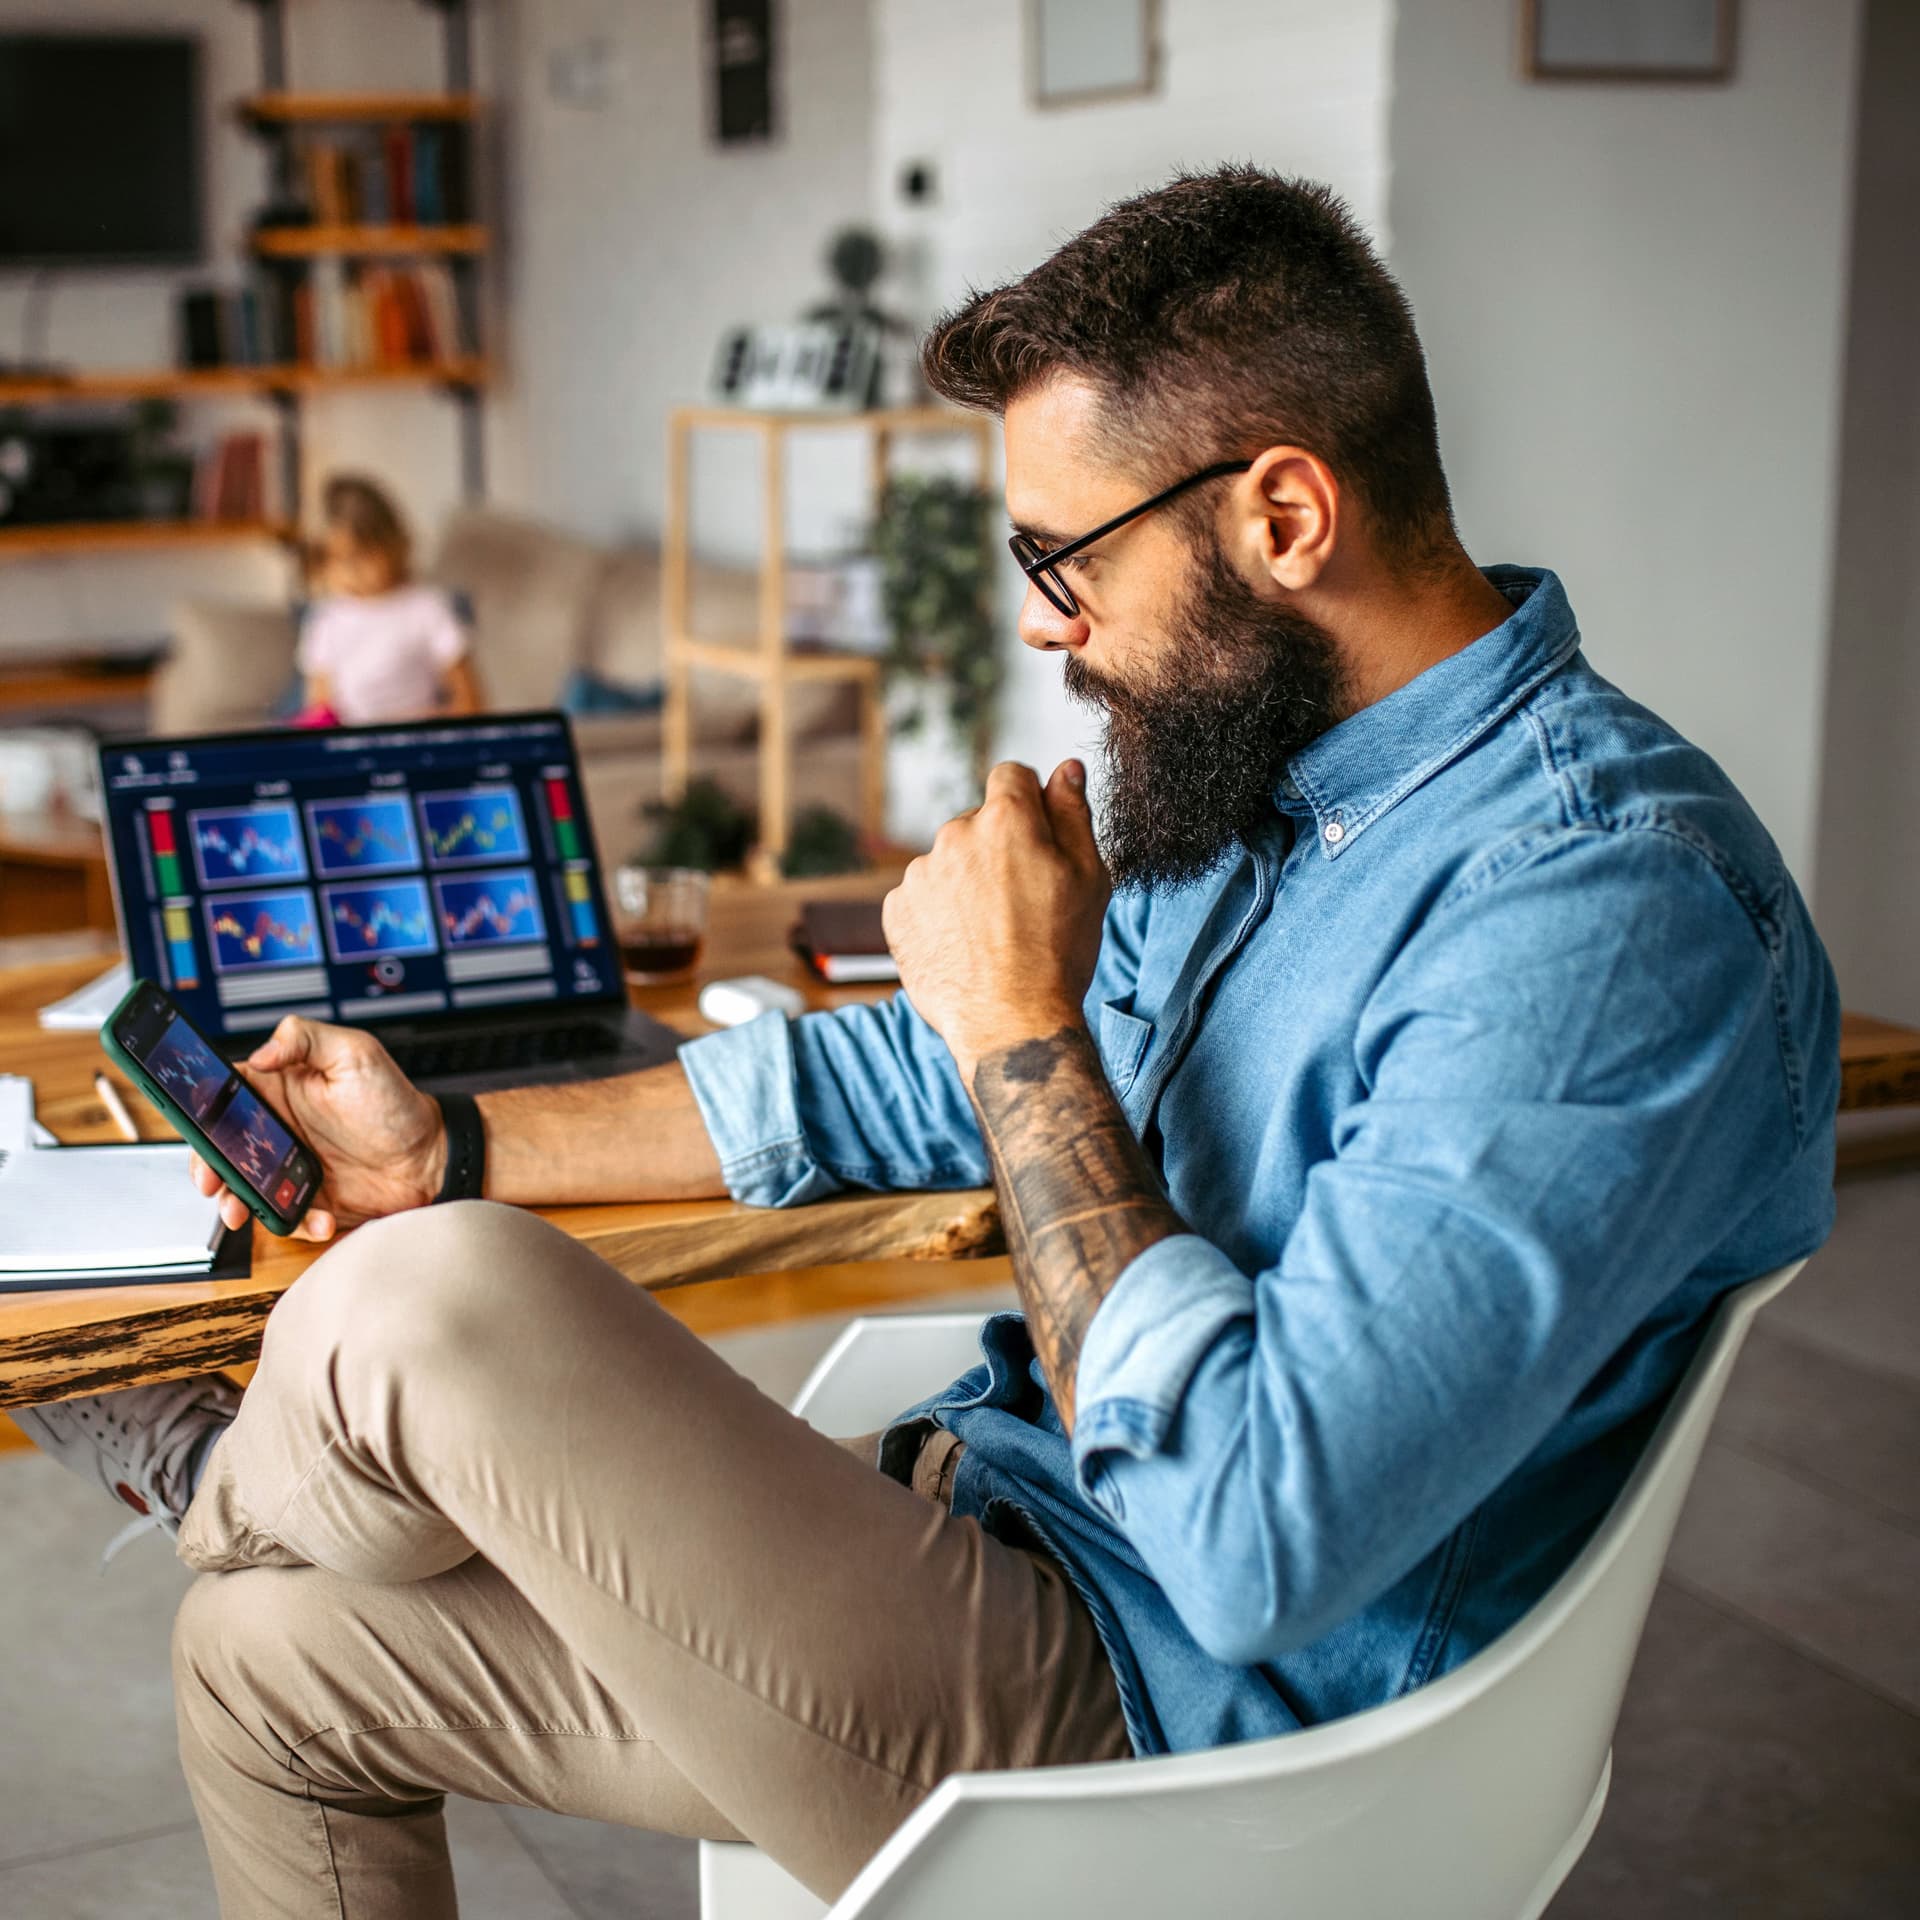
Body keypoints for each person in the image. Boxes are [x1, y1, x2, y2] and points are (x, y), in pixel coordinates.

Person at [17, 168, 1838, 1916]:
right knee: (262, 1657)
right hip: (986, 1550)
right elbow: (909, 1076)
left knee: (421, 1304)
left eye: (1066, 556)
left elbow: (1249, 1540)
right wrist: (452, 1150)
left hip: (1177, 1732)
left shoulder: (1598, 916)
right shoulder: (1273, 805)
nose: (1048, 627)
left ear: (1284, 517)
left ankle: (220, 1480)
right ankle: (260, 1508)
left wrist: (1022, 1016)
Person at [293, 474, 482, 726]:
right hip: (351, 748)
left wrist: (429, 721)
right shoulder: (327, 620)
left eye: (360, 557)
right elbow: (319, 706)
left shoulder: (426, 608)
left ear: (391, 543)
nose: (350, 573)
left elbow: (470, 703)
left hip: (414, 741)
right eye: (333, 561)